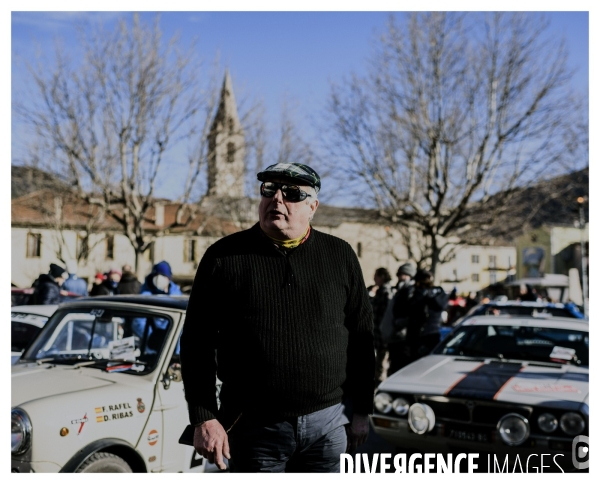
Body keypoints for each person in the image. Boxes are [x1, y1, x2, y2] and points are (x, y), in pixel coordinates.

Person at [180, 162, 375, 473]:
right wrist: (204, 416)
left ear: (313, 206)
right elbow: (195, 343)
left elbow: (362, 339)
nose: (277, 199)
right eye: (269, 190)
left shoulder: (340, 255)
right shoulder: (223, 257)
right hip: (254, 429)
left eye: (292, 193)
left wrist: (362, 411)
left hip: (327, 428)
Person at [397, 269, 448, 364]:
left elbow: (402, 310)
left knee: (415, 363)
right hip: (426, 333)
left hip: (420, 333)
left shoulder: (416, 292)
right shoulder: (435, 292)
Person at [385, 262, 417, 375]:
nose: (399, 277)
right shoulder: (400, 290)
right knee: (394, 364)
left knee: (401, 365)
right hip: (396, 335)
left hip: (404, 336)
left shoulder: (412, 291)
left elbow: (413, 313)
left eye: (402, 274)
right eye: (399, 274)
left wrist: (400, 323)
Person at [370, 268, 393, 386]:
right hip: (379, 332)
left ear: (382, 277)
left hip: (383, 333)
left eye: (376, 276)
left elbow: (386, 315)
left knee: (382, 361)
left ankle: (380, 384)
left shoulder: (386, 292)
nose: (374, 278)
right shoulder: (381, 291)